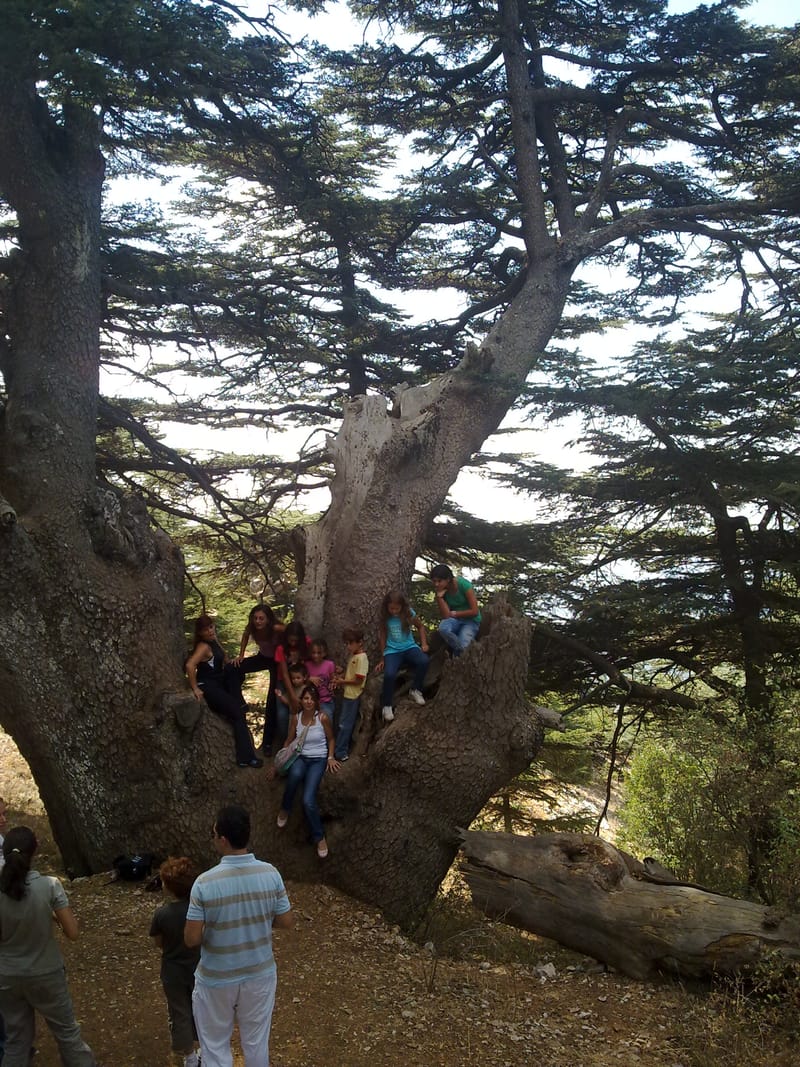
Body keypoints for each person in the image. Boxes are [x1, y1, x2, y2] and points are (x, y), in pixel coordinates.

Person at [185, 805, 293, 1067]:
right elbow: (286, 921)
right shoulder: (270, 873)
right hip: (259, 973)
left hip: (216, 978)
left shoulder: (204, 883)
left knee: (214, 1045)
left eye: (213, 833)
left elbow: (191, 939)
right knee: (256, 1043)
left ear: (222, 839)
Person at [0, 826, 97, 1067]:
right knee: (67, 1034)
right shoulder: (50, 886)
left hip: (7, 975)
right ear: (36, 851)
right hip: (46, 972)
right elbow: (73, 933)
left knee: (16, 1041)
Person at [185, 616, 263, 769]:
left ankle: (238, 702)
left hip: (219, 683)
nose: (210, 630)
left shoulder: (214, 641)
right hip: (208, 686)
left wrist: (232, 665)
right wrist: (195, 688)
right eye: (206, 629)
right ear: (200, 633)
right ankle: (246, 758)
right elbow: (190, 665)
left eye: (211, 627)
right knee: (238, 714)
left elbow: (224, 659)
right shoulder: (204, 646)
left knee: (234, 670)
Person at [276, 684, 340, 858]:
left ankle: (319, 837)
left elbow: (331, 739)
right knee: (295, 775)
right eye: (305, 698)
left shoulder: (323, 718)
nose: (308, 702)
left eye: (312, 698)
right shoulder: (296, 718)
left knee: (308, 800)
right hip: (300, 758)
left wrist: (330, 757)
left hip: (317, 760)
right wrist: (279, 762)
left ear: (316, 701)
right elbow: (289, 740)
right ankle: (285, 808)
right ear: (301, 700)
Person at [150, 857, 201, 1067]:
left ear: (169, 887)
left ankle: (189, 1057)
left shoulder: (162, 914)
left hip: (173, 971)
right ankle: (205, 1051)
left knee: (179, 1011)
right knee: (202, 1010)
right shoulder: (199, 910)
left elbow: (158, 942)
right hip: (199, 966)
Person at [231, 604, 285, 756]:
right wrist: (241, 655)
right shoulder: (252, 627)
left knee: (272, 700)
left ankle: (268, 743)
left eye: (261, 618)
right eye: (255, 618)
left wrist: (290, 655)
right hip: (263, 657)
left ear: (268, 620)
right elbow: (245, 635)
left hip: (277, 661)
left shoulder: (276, 628)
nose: (258, 621)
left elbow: (293, 633)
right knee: (234, 668)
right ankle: (238, 701)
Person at [375, 590, 429, 723]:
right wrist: (382, 657)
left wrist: (424, 644)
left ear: (402, 606)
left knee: (424, 661)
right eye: (391, 608)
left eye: (397, 608)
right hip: (392, 651)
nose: (394, 611)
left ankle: (416, 689)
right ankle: (387, 705)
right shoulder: (385, 617)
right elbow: (382, 636)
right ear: (387, 606)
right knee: (389, 674)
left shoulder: (408, 613)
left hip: (409, 647)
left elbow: (421, 627)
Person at [332, 628, 368, 762]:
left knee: (345, 724)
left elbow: (359, 679)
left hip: (353, 696)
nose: (348, 646)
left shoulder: (362, 658)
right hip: (348, 694)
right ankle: (339, 748)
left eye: (350, 643)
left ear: (360, 643)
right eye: (346, 643)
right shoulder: (354, 656)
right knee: (342, 723)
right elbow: (351, 674)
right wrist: (342, 674)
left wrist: (342, 681)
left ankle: (341, 751)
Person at [429, 564, 482, 655]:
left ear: (448, 579)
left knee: (464, 643)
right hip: (455, 620)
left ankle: (459, 652)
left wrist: (455, 614)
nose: (436, 584)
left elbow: (475, 611)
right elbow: (446, 615)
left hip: (471, 621)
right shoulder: (441, 590)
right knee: (443, 628)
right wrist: (439, 598)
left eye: (439, 581)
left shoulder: (464, 585)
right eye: (434, 581)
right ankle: (459, 649)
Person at [274, 662, 308, 753]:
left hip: (304, 718)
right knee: (291, 735)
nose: (295, 681)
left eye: (298, 678)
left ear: (304, 677)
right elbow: (288, 702)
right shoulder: (291, 690)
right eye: (293, 678)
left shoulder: (306, 689)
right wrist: (280, 696)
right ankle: (290, 752)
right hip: (292, 717)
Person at [306, 639, 336, 722]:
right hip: (310, 701)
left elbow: (333, 679)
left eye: (319, 653)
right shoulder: (307, 665)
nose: (316, 655)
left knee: (327, 720)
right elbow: (303, 682)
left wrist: (333, 683)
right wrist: (309, 679)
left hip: (326, 701)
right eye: (313, 653)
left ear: (324, 653)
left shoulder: (330, 664)